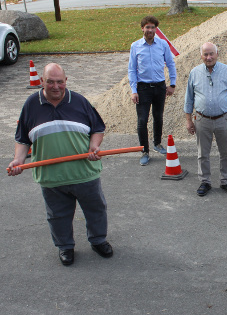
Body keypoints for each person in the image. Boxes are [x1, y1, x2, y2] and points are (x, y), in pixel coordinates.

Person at [7, 63, 113, 266]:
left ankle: (98, 240)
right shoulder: (31, 104)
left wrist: (94, 146)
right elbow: (22, 139)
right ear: (41, 81)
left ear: (66, 81)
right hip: (51, 176)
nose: (55, 86)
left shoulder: (80, 101)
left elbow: (97, 128)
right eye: (50, 82)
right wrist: (18, 160)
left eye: (59, 82)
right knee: (57, 215)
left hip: (84, 172)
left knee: (96, 209)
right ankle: (65, 246)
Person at [184, 42, 227, 197]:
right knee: (203, 153)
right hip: (202, 120)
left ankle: (225, 180)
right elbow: (189, 98)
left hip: (223, 119)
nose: (208, 57)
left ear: (217, 54)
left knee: (226, 153)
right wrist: (189, 120)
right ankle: (205, 181)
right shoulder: (194, 73)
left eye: (211, 54)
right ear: (201, 56)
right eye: (205, 54)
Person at [128, 15, 177, 166]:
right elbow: (132, 70)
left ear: (156, 29)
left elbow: (170, 64)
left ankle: (157, 143)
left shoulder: (162, 44)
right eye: (147, 27)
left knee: (158, 117)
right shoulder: (135, 46)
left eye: (153, 27)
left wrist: (172, 84)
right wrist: (133, 90)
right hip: (143, 88)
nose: (150, 30)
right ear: (142, 28)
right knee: (142, 120)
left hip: (159, 87)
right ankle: (144, 150)